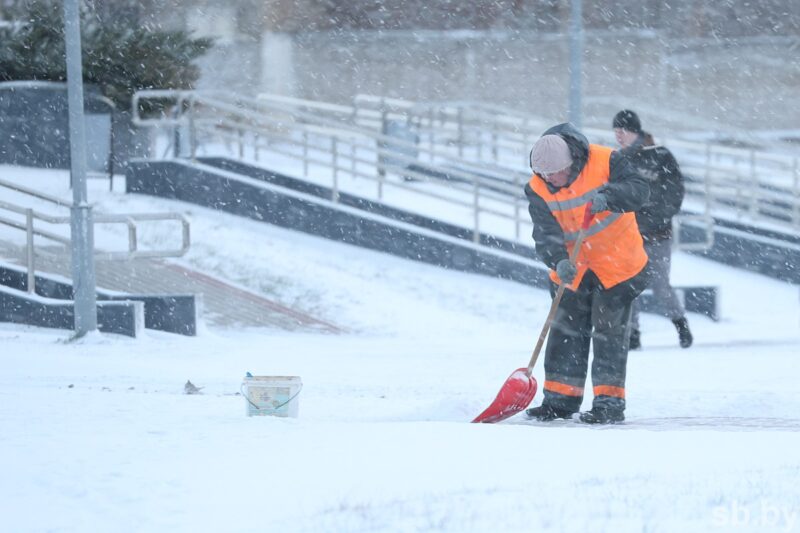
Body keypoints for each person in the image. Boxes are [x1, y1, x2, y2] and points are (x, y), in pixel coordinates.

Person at [523, 123, 650, 424]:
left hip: (617, 263)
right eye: (544, 174)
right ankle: (560, 400)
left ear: (572, 163)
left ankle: (609, 403)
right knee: (565, 331)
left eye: (554, 174)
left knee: (608, 333)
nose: (549, 179)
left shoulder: (607, 161)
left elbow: (640, 191)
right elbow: (545, 233)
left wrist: (611, 196)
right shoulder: (537, 188)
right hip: (573, 268)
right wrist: (557, 261)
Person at [612, 110, 693, 349]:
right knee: (629, 284)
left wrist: (654, 216)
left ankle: (681, 324)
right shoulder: (617, 159)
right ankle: (633, 333)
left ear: (634, 131)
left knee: (660, 285)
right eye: (615, 132)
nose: (617, 136)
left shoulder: (660, 156)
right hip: (628, 236)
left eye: (621, 131)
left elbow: (674, 191)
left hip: (657, 234)